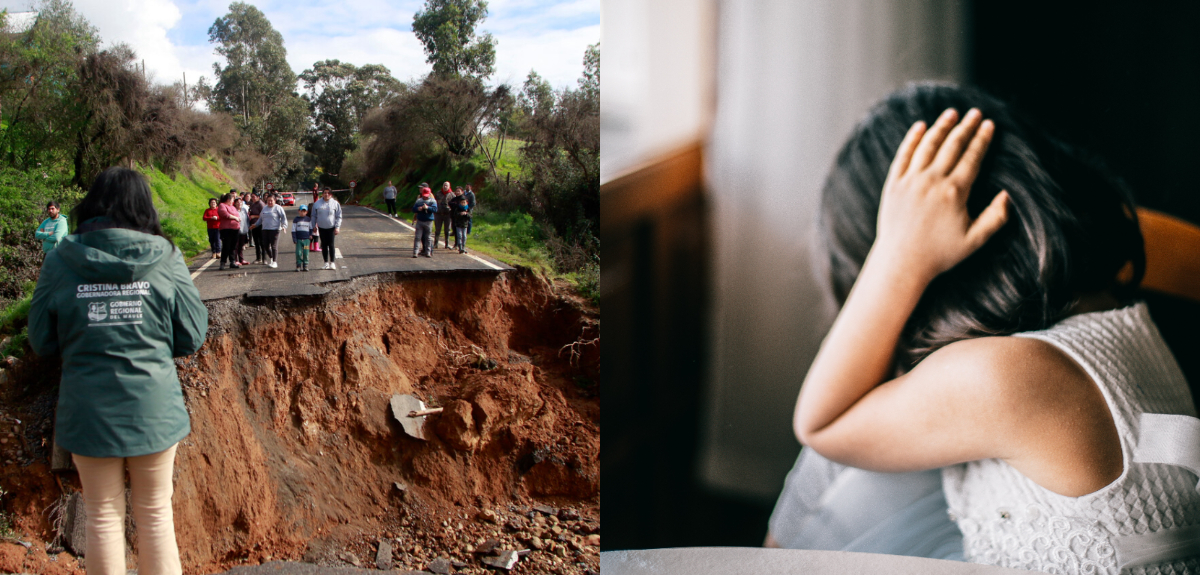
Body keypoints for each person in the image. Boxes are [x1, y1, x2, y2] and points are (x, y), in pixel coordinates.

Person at [771, 83, 1198, 573]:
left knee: (833, 463)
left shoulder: (999, 375)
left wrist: (899, 254)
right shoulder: (1106, 298)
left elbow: (821, 424)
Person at [27, 166, 207, 575]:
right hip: (153, 406)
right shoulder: (166, 255)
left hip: (87, 409)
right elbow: (193, 334)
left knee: (103, 517)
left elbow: (40, 340)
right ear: (143, 206)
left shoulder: (60, 259)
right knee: (156, 516)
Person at [253, 193, 287, 269]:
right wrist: (255, 225)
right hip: (265, 229)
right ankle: (271, 257)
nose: (270, 202)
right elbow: (260, 219)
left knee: (274, 246)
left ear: (275, 200)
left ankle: (275, 262)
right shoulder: (264, 208)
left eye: (271, 200)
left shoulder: (278, 208)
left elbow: (284, 218)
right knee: (265, 246)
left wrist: (284, 226)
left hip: (275, 230)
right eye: (268, 200)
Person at [311, 187, 342, 269]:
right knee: (324, 245)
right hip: (321, 227)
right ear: (322, 194)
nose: (326, 194)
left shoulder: (335, 203)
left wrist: (337, 227)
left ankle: (332, 262)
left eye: (328, 193)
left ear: (331, 194)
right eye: (325, 192)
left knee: (331, 244)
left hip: (331, 227)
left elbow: (339, 216)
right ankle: (326, 263)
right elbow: (313, 216)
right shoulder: (317, 204)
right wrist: (313, 226)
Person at [216, 193, 241, 271]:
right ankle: (223, 262)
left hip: (235, 229)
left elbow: (237, 215)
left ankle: (232, 261)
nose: (233, 201)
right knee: (226, 246)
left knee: (233, 246)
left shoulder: (233, 207)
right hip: (226, 229)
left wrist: (238, 218)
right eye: (233, 199)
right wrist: (235, 218)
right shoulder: (222, 205)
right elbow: (224, 214)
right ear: (228, 200)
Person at [412, 187, 437, 258]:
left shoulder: (433, 201)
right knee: (418, 237)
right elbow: (413, 209)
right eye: (424, 195)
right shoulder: (419, 200)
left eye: (426, 196)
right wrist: (418, 209)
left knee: (428, 237)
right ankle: (415, 252)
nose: (425, 197)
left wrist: (428, 208)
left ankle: (428, 252)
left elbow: (435, 209)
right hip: (420, 220)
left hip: (429, 221)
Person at [291, 204, 313, 272]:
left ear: (306, 212)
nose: (303, 212)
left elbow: (311, 228)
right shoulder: (296, 219)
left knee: (306, 253)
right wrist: (294, 239)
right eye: (301, 211)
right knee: (298, 253)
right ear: (299, 211)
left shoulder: (308, 219)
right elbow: (293, 230)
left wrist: (310, 235)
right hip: (298, 239)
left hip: (306, 240)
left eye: (304, 211)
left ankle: (305, 265)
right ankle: (298, 265)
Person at [434, 181, 455, 249]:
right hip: (438, 214)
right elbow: (434, 202)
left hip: (448, 215)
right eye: (444, 185)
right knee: (437, 229)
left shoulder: (452, 195)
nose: (445, 186)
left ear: (449, 186)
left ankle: (447, 244)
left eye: (447, 185)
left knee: (447, 230)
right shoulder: (438, 193)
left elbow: (455, 205)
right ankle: (436, 243)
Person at [247, 192, 265, 263]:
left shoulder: (261, 204)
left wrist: (254, 216)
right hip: (253, 225)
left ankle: (264, 258)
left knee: (261, 242)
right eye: (252, 197)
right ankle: (258, 258)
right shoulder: (253, 204)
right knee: (256, 242)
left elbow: (264, 215)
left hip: (260, 225)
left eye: (254, 196)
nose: (253, 198)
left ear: (258, 197)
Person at [235, 197, 250, 266]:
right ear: (235, 203)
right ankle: (235, 260)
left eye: (240, 202)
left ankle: (241, 259)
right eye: (237, 202)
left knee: (241, 246)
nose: (239, 204)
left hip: (244, 230)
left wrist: (248, 227)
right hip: (236, 230)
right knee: (236, 246)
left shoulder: (244, 210)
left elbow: (247, 219)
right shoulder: (234, 210)